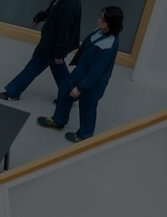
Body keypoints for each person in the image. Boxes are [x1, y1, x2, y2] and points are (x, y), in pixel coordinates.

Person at [38, 6, 125, 143]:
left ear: (111, 24)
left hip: (93, 83)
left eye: (103, 20)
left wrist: (80, 88)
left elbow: (95, 72)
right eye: (100, 16)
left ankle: (85, 134)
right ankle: (58, 120)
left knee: (87, 106)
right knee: (65, 89)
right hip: (81, 72)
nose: (99, 20)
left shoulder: (108, 46)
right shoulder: (100, 31)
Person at [0, 0, 82, 102]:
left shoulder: (69, 6)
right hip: (51, 44)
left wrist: (59, 54)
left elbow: (64, 32)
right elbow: (51, 10)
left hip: (51, 47)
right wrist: (39, 17)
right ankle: (70, 94)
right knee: (59, 70)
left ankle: (12, 93)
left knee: (32, 68)